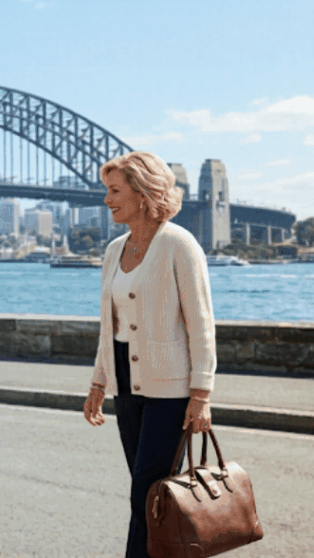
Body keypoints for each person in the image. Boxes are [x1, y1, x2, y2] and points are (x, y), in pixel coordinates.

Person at [82, 151, 217, 558]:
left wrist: (202, 394)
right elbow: (111, 326)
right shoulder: (114, 249)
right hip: (126, 382)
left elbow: (201, 323)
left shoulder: (178, 243)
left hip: (170, 389)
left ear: (142, 193)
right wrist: (98, 381)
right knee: (153, 496)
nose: (106, 200)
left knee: (148, 490)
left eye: (114, 190)